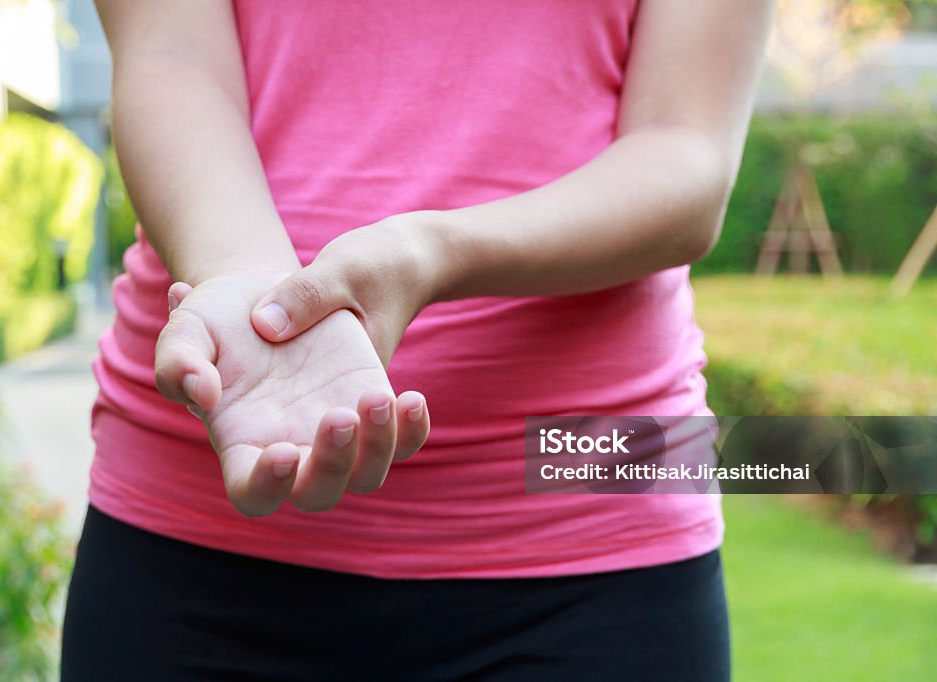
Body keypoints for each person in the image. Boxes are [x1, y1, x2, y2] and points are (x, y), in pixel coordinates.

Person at [61, 1, 773, 679]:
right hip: (194, 520)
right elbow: (171, 58)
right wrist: (245, 280)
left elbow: (687, 150)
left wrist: (431, 252)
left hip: (601, 510)